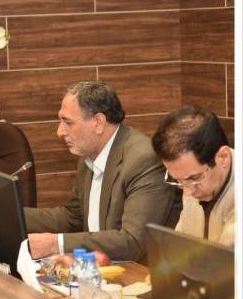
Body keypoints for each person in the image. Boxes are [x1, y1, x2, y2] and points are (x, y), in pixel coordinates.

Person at [23, 81, 181, 261]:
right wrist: (11, 215)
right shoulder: (89, 153)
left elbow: (133, 242)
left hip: (141, 272)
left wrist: (55, 243)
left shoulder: (144, 160)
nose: (60, 132)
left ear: (98, 122)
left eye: (68, 122)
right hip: (101, 267)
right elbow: (72, 218)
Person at [151, 105, 234, 247]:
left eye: (194, 178)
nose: (187, 192)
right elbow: (181, 246)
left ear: (223, 157)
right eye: (177, 180)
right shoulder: (190, 182)